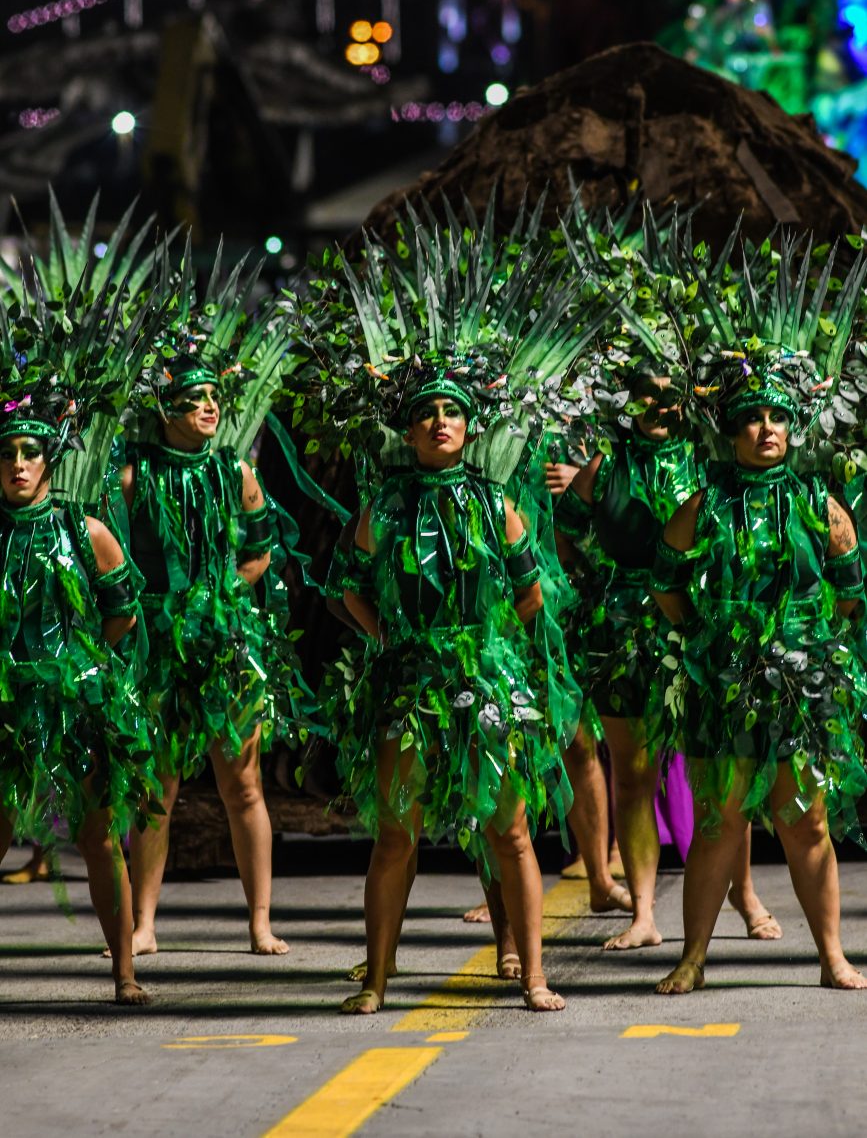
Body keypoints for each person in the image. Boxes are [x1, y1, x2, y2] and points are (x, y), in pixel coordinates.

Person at [337, 376, 566, 1014]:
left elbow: (530, 594)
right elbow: (346, 585)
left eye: (453, 412)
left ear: (470, 428)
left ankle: (535, 977)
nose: (442, 422)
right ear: (409, 433)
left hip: (484, 680)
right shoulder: (386, 506)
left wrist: (493, 652)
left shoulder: (495, 504)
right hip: (409, 683)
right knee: (395, 837)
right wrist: (388, 639)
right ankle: (376, 981)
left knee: (511, 832)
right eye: (428, 414)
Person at [548, 371, 780, 949]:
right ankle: (644, 914)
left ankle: (744, 892)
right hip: (623, 630)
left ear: (689, 402)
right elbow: (560, 534)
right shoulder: (604, 469)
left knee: (725, 767)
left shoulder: (709, 468)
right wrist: (592, 579)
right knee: (633, 772)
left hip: (697, 624)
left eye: (666, 393)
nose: (655, 405)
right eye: (642, 394)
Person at [653, 388, 867, 992]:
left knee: (809, 823)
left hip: (802, 685)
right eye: (752, 418)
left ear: (793, 429)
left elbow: (850, 589)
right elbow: (663, 580)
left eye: (778, 417)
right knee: (720, 821)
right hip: (724, 685)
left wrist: (806, 639)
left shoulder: (816, 503)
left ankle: (832, 957)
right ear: (732, 429)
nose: (766, 429)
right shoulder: (706, 503)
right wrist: (705, 638)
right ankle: (693, 956)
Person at [122, 357, 287, 957]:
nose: (210, 407)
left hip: (224, 645)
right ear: (165, 410)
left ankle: (260, 923)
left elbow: (259, 553)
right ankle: (142, 924)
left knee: (242, 785)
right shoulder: (133, 477)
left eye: (215, 396)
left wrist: (218, 604)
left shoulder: (235, 472)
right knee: (156, 787)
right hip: (159, 648)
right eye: (195, 398)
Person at [0, 410, 152, 1004]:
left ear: (50, 460)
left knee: (100, 839)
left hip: (77, 708)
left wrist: (79, 670)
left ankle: (124, 972)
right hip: (7, 710)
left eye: (30, 451)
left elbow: (124, 611)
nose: (17, 464)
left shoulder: (83, 532)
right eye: (6, 452)